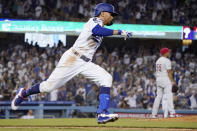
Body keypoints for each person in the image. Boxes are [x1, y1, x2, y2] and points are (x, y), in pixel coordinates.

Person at [11, 3, 132, 124]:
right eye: (111, 14)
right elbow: (97, 30)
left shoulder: (101, 24)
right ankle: (24, 93)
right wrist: (119, 31)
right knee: (48, 87)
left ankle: (102, 113)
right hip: (73, 58)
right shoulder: (94, 20)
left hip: (85, 63)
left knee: (106, 78)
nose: (112, 17)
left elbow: (100, 32)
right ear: (103, 13)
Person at [151, 48, 178, 118]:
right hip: (165, 79)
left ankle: (154, 114)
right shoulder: (167, 60)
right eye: (168, 52)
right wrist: (172, 81)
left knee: (158, 97)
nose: (169, 53)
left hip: (158, 79)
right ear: (165, 53)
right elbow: (169, 72)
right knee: (169, 95)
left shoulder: (158, 60)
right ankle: (172, 113)